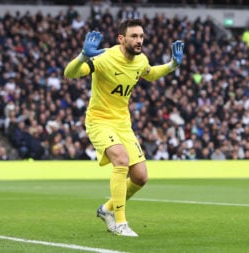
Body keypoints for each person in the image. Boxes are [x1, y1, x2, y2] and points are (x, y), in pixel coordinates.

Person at [64, 18, 184, 237]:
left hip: (122, 123)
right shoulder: (104, 57)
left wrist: (172, 65)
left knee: (140, 177)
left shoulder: (140, 61)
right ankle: (121, 223)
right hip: (99, 120)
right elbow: (69, 73)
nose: (139, 41)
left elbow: (151, 73)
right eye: (134, 36)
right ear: (122, 38)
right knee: (121, 160)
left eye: (141, 36)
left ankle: (106, 209)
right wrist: (83, 55)